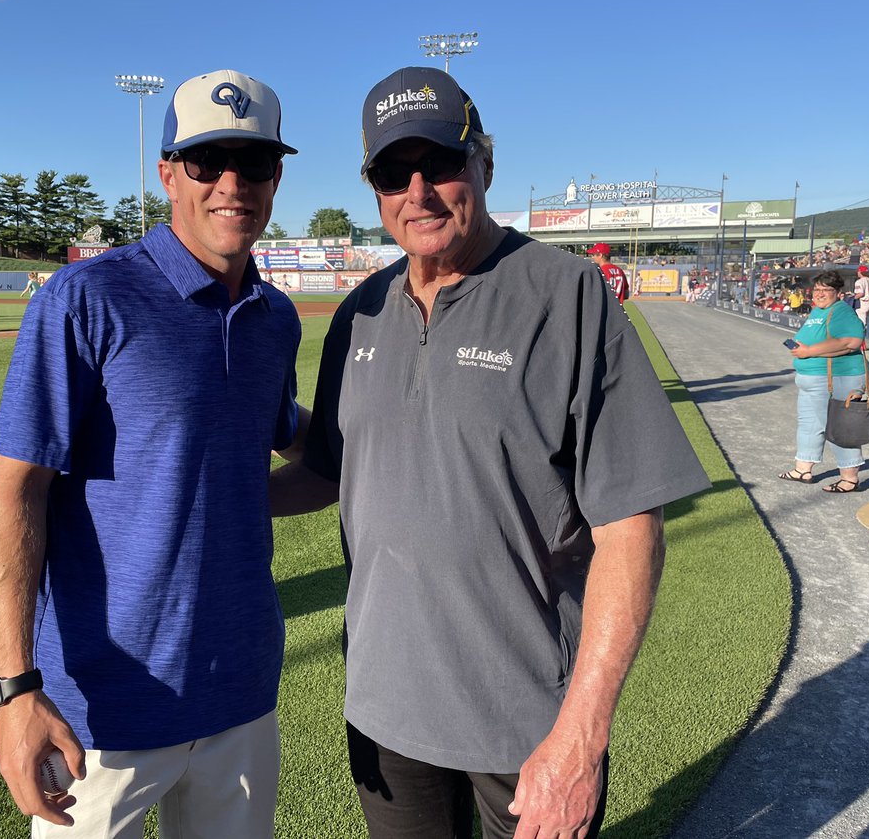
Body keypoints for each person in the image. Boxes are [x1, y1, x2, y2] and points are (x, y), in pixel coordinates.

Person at [270, 66, 711, 839]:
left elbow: (632, 532)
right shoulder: (360, 314)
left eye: (439, 163)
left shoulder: (567, 295)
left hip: (530, 720)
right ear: (373, 188)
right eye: (390, 172)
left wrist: (581, 737)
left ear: (485, 164)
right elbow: (328, 470)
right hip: (385, 707)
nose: (418, 191)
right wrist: (208, 492)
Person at [0, 69, 303, 838]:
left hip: (241, 694)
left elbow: (274, 444)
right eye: (206, 162)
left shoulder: (274, 318)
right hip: (103, 708)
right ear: (168, 174)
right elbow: (14, 492)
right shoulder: (86, 297)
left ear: (277, 176)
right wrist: (16, 688)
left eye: (253, 163)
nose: (233, 184)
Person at [779, 270, 868, 493]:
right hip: (814, 380)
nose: (819, 294)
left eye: (825, 290)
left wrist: (809, 350)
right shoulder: (819, 311)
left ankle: (850, 478)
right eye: (816, 289)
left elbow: (851, 341)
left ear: (838, 293)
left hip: (837, 377)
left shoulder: (841, 311)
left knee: (839, 426)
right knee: (809, 423)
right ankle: (803, 469)